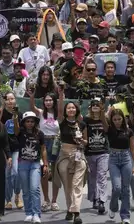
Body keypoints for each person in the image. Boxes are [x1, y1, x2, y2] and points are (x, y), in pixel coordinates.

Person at [54, 88, 87, 224]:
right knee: (68, 186)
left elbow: (86, 141)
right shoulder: (62, 122)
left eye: (73, 108)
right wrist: (61, 95)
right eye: (69, 108)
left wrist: (82, 141)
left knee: (76, 184)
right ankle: (70, 209)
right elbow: (60, 111)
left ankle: (76, 213)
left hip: (79, 154)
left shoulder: (82, 124)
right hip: (64, 155)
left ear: (77, 110)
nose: (71, 110)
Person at [26, 88, 61, 211]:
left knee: (56, 173)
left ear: (54, 101)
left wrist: (61, 93)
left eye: (50, 100)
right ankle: (46, 199)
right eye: (46, 100)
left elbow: (61, 107)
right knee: (44, 172)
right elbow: (32, 108)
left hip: (56, 143)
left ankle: (54, 201)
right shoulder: (41, 113)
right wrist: (31, 96)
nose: (48, 102)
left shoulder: (58, 114)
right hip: (43, 142)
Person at [13, 111, 49, 223]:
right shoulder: (21, 132)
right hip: (23, 163)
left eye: (32, 121)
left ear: (35, 122)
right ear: (23, 122)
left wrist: (46, 164)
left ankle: (36, 214)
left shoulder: (40, 133)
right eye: (27, 121)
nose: (30, 123)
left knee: (35, 189)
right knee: (26, 190)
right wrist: (15, 118)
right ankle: (28, 213)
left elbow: (43, 149)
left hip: (35, 164)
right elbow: (15, 129)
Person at [107, 108, 134, 223]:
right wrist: (108, 110)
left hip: (126, 158)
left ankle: (125, 216)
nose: (117, 121)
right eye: (115, 119)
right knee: (117, 188)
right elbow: (103, 119)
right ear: (112, 120)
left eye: (119, 119)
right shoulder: (109, 130)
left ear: (123, 119)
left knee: (125, 189)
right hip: (113, 158)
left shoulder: (129, 131)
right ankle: (113, 207)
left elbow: (132, 149)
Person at [84, 97, 109, 215]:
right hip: (90, 152)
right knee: (92, 177)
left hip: (103, 152)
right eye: (93, 105)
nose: (95, 107)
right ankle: (94, 197)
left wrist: (102, 113)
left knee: (102, 176)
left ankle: (101, 201)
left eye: (97, 105)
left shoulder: (104, 119)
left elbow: (106, 128)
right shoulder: (86, 120)